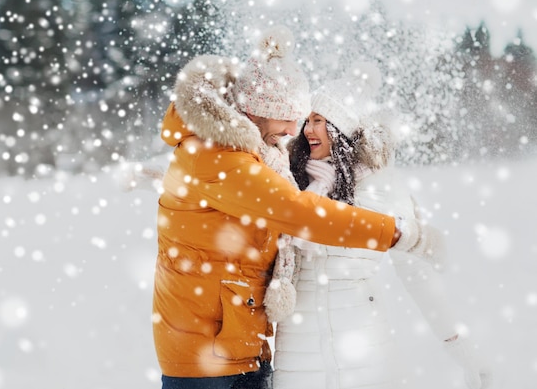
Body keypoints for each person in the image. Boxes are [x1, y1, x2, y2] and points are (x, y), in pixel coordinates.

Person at [152, 27, 418, 389]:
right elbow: (298, 213)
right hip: (210, 364)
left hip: (234, 349)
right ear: (258, 111)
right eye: (289, 117)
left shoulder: (246, 155)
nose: (296, 129)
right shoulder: (220, 157)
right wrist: (396, 232)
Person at [268, 62, 493, 389]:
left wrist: (457, 343)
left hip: (363, 351)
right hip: (298, 356)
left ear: (341, 129)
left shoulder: (380, 185)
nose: (307, 129)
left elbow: (414, 270)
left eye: (319, 121)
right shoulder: (289, 182)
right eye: (308, 120)